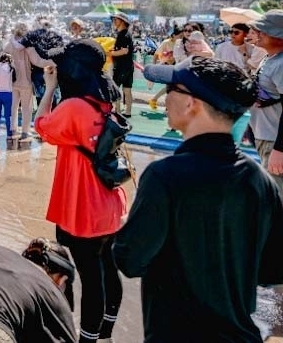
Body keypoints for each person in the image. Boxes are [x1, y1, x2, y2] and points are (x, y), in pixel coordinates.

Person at [115, 57, 283, 342]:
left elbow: (130, 260)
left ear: (191, 103)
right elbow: (271, 269)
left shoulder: (164, 176)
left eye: (171, 90)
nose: (166, 98)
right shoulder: (260, 181)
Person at [34, 40, 126, 343]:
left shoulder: (74, 107)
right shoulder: (105, 98)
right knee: (107, 268)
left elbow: (41, 126)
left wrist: (48, 88)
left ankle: (87, 338)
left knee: (89, 276)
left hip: (83, 203)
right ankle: (106, 335)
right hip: (109, 200)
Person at [249, 10, 283, 191]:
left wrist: (280, 149)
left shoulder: (281, 64)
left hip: (274, 141)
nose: (257, 33)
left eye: (264, 30)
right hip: (266, 137)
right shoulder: (270, 58)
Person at [108, 12, 134, 117]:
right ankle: (128, 111)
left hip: (121, 67)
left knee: (116, 88)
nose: (114, 21)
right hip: (127, 66)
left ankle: (118, 111)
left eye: (116, 19)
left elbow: (124, 51)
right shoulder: (125, 34)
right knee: (127, 89)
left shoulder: (123, 35)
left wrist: (109, 53)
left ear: (123, 22)